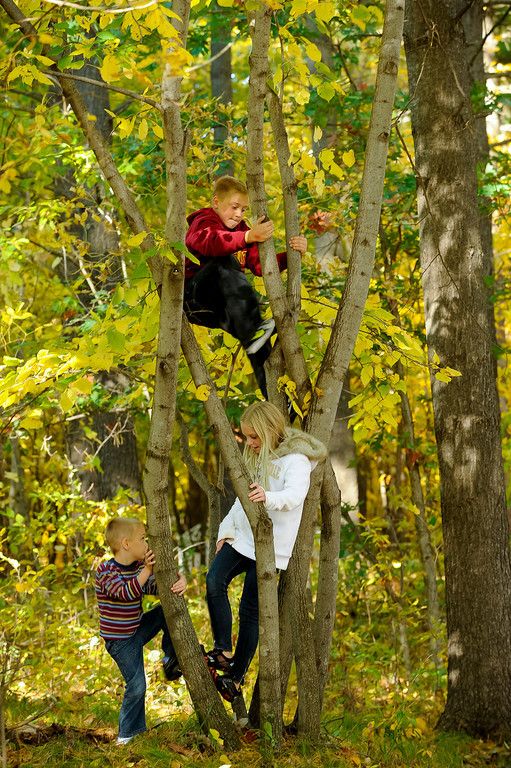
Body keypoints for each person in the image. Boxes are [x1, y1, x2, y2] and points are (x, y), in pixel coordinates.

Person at [204, 401, 327, 702]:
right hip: (243, 538)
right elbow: (241, 500)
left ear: (270, 430)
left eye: (254, 437)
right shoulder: (256, 457)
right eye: (247, 437)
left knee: (250, 611)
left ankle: (235, 677)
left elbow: (295, 496)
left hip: (272, 547)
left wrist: (267, 496)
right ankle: (222, 650)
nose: (250, 443)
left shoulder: (296, 459)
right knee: (214, 580)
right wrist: (225, 531)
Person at [184, 176, 307, 398]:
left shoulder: (242, 229)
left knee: (255, 340)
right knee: (223, 261)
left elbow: (259, 266)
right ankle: (255, 328)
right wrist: (248, 236)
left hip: (222, 307)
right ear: (216, 202)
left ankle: (279, 402)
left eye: (243, 209)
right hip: (195, 298)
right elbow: (209, 242)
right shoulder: (203, 220)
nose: (239, 214)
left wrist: (293, 255)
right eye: (234, 207)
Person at [95, 517, 186, 745]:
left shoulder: (137, 568)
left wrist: (179, 580)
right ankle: (126, 735)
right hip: (120, 642)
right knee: (137, 686)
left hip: (136, 629)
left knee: (165, 610)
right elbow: (126, 593)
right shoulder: (106, 571)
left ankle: (170, 658)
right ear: (126, 544)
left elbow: (156, 587)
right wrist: (147, 569)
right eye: (143, 539)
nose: (147, 544)